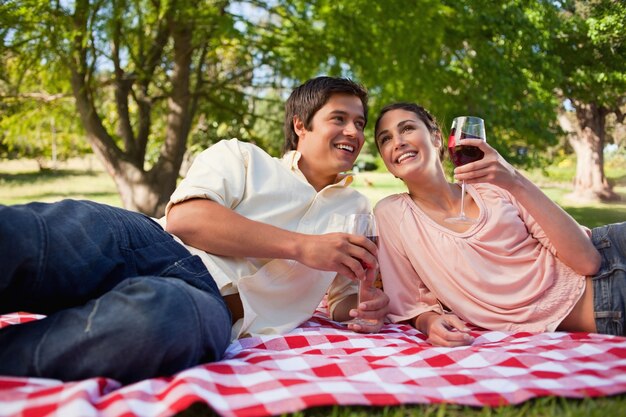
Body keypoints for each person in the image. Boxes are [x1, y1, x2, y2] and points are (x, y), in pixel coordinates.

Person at [0, 76, 389, 384]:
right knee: (41, 235)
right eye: (339, 118)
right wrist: (302, 247)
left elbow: (344, 296)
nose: (353, 132)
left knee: (157, 324)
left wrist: (362, 308)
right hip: (149, 245)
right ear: (300, 125)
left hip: (210, 304)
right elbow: (187, 220)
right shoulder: (243, 156)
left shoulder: (356, 209)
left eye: (359, 123)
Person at [372, 102, 625, 347]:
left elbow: (587, 260)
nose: (398, 142)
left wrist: (514, 179)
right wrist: (430, 322)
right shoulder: (392, 214)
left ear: (437, 138)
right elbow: (411, 301)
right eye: (385, 139)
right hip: (608, 302)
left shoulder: (495, 186)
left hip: (611, 247)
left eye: (407, 128)